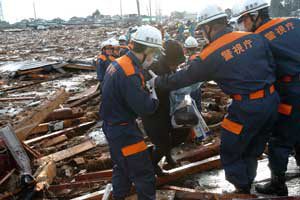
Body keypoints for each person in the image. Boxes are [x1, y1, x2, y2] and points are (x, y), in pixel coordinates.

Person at [154, 4, 280, 194]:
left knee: (230, 149)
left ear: (208, 27)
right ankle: (248, 180)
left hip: (246, 109)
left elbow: (185, 77)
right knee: (254, 146)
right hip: (272, 101)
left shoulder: (211, 53)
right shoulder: (254, 38)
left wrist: (158, 82)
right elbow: (272, 64)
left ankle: (242, 189)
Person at [236, 0, 300, 196]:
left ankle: (278, 183)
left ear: (255, 16)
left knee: (280, 138)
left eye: (243, 20)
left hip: (291, 91)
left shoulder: (256, 40)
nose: (243, 25)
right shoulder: (294, 21)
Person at [100, 25, 163, 200]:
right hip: (124, 132)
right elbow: (145, 108)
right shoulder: (129, 73)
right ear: (147, 50)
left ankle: (119, 197)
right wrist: (154, 94)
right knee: (144, 174)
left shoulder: (119, 62)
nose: (154, 58)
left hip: (112, 126)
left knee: (122, 167)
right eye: (154, 53)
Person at [141, 39, 190, 176]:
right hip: (153, 113)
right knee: (162, 143)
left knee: (180, 133)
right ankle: (151, 164)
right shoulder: (154, 69)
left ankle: (167, 157)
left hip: (167, 110)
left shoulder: (169, 68)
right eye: (174, 63)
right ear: (167, 59)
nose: (176, 67)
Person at [184, 36, 203, 112]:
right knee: (198, 105)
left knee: (193, 106)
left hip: (193, 87)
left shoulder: (191, 60)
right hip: (198, 85)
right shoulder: (198, 56)